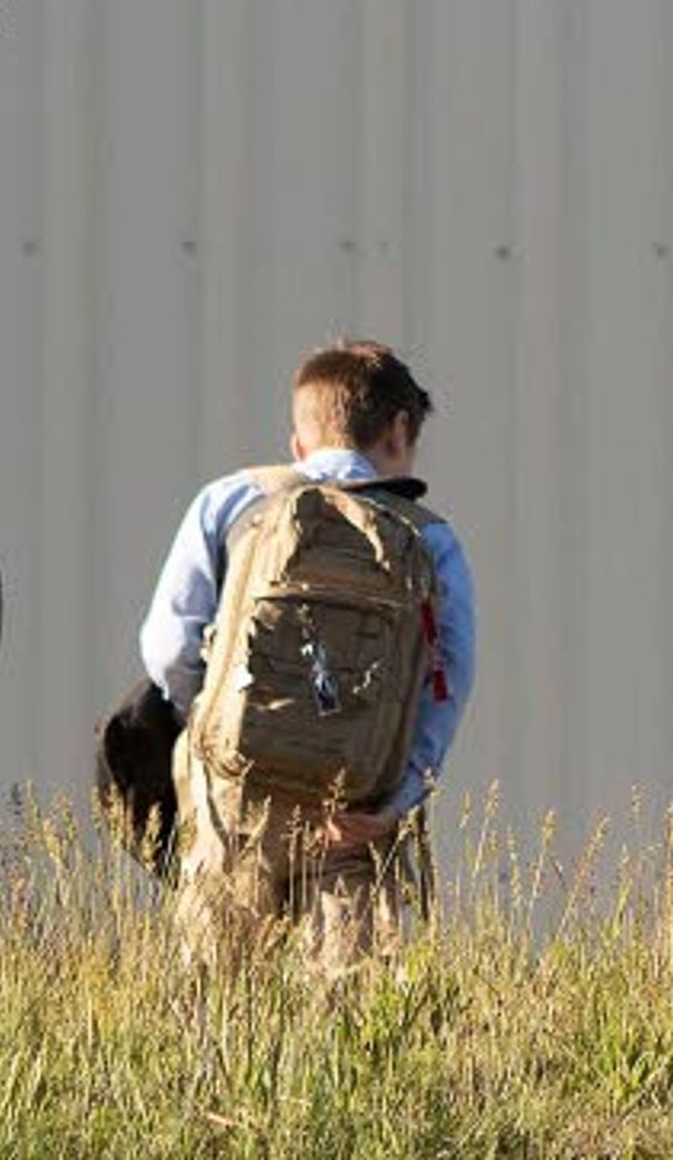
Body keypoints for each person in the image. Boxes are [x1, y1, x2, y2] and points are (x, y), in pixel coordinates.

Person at [135, 339, 475, 969]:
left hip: (232, 795)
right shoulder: (430, 536)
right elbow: (447, 680)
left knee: (214, 1006)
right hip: (358, 805)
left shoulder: (232, 502)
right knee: (348, 1012)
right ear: (400, 430)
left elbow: (168, 647)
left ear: (300, 442)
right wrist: (395, 799)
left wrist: (217, 731)